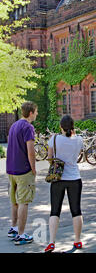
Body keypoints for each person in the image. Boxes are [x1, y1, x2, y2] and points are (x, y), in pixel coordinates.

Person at [44, 115, 84, 253]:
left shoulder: (54, 139)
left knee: (55, 211)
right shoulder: (79, 140)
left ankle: (51, 242)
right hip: (74, 178)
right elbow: (78, 156)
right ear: (73, 126)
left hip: (58, 179)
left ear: (60, 126)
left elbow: (49, 158)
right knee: (76, 210)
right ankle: (77, 241)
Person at [6, 101, 38, 245]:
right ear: (31, 112)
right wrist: (34, 169)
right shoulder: (28, 127)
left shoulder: (14, 125)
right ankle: (21, 234)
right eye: (36, 111)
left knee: (15, 201)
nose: (37, 114)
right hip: (23, 170)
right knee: (23, 202)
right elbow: (30, 151)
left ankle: (13, 228)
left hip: (11, 169)